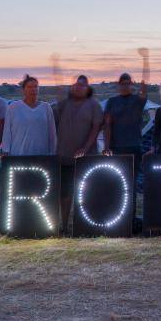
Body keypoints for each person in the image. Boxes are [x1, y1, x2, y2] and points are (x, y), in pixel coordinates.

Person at [53, 74, 103, 232]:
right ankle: (65, 225)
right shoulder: (63, 104)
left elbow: (96, 129)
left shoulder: (94, 105)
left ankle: (84, 225)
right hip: (64, 156)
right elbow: (53, 124)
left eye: (82, 85)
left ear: (88, 88)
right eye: (76, 84)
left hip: (86, 158)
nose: (79, 87)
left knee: (85, 192)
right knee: (65, 193)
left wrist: (85, 148)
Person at [103, 49, 150, 190]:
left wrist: (145, 60)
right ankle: (123, 212)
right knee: (118, 183)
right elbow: (107, 125)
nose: (125, 85)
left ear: (131, 84)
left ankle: (132, 212)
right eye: (123, 83)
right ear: (119, 85)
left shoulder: (137, 101)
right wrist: (106, 146)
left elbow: (145, 84)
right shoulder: (112, 102)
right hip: (117, 148)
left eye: (128, 83)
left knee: (132, 182)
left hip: (134, 147)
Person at [1, 75, 57, 156]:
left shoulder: (46, 107)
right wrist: (5, 151)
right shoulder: (13, 107)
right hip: (18, 154)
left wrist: (53, 152)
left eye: (35, 86)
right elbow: (7, 132)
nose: (33, 89)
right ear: (23, 90)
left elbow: (52, 133)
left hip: (41, 154)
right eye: (29, 87)